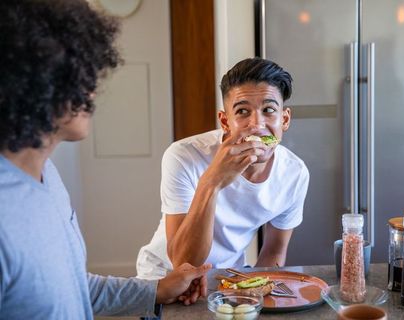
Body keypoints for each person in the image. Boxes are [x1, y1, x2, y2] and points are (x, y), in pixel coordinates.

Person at [0, 0, 211, 319]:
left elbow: (69, 287)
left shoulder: (48, 177)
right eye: (80, 75)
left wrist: (157, 289)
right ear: (34, 79)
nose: (93, 92)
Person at [137, 57, 309, 277]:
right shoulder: (184, 156)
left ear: (284, 119)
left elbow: (275, 251)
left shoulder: (294, 174)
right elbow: (184, 262)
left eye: (268, 110)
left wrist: (251, 291)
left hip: (228, 276)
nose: (257, 125)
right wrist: (212, 182)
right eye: (243, 112)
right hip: (165, 277)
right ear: (225, 121)